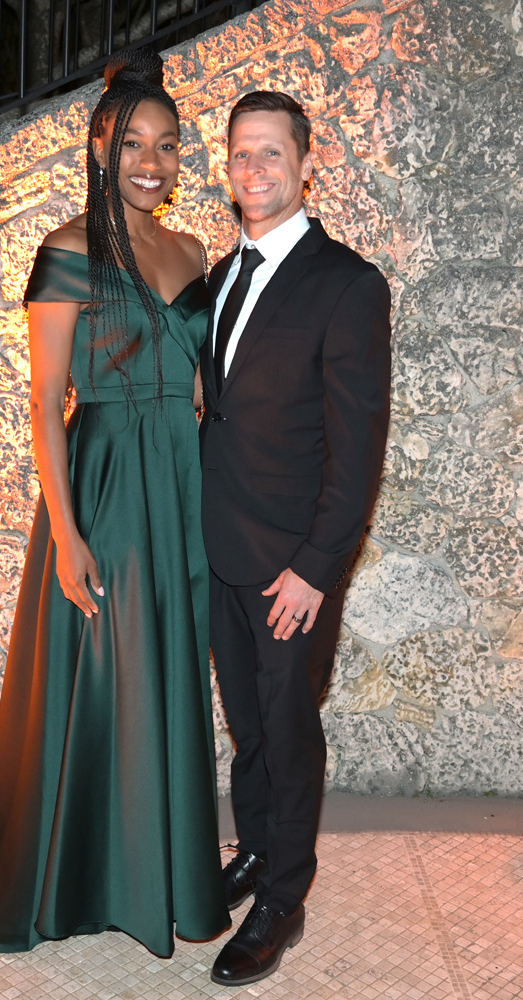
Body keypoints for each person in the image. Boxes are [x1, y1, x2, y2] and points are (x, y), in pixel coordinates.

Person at [0, 48, 230, 959]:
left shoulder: (192, 249)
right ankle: (88, 877)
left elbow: (198, 375)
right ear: (101, 145)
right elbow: (43, 405)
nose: (152, 161)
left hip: (183, 484)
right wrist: (68, 532)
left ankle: (166, 868)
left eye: (168, 145)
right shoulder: (69, 249)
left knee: (172, 665)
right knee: (110, 677)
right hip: (108, 480)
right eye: (134, 143)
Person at [200, 91, 392, 986]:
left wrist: (317, 570)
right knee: (248, 725)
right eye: (241, 153)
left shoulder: (347, 285)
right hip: (220, 552)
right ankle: (253, 853)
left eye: (272, 153)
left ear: (306, 164)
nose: (255, 170)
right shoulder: (217, 278)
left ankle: (286, 894)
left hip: (291, 568)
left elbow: (357, 454)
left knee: (288, 725)